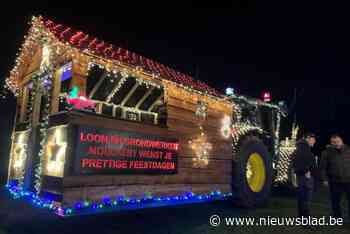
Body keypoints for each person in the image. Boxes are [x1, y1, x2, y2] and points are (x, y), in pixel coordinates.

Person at [320, 134, 350, 220]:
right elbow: (323, 167)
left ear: (341, 141)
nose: (336, 144)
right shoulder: (326, 153)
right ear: (331, 143)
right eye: (333, 142)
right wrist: (325, 179)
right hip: (335, 181)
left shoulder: (348, 150)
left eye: (337, 141)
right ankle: (337, 218)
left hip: (348, 180)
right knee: (335, 201)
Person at [292, 133, 317, 218]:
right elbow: (303, 162)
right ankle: (306, 221)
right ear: (308, 138)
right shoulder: (304, 148)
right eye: (313, 139)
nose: (314, 142)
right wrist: (306, 171)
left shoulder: (300, 147)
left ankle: (301, 218)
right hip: (305, 178)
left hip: (301, 177)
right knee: (305, 200)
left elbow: (294, 160)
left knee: (302, 199)